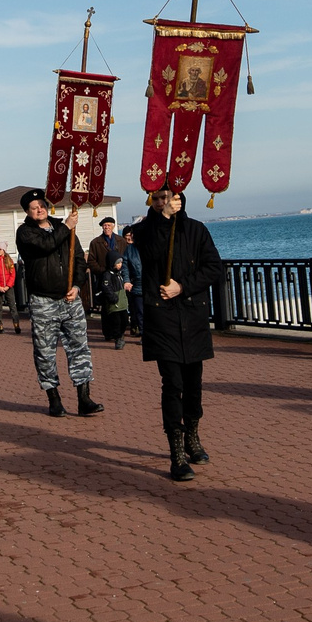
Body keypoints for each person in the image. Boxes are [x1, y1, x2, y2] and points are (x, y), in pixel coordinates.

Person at [132, 182, 223, 481]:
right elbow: (153, 254)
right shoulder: (145, 230)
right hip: (163, 319)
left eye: (168, 197)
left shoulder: (196, 230)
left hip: (192, 315)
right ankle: (175, 450)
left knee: (194, 383)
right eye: (158, 199)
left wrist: (182, 287)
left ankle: (193, 438)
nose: (163, 203)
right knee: (172, 384)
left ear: (180, 198)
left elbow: (213, 268)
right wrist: (165, 221)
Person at [16, 190, 103, 418]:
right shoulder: (25, 232)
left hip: (70, 299)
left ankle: (84, 398)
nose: (39, 209)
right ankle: (53, 399)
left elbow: (79, 259)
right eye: (34, 207)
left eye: (42, 205)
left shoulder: (63, 227)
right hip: (43, 300)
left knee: (79, 348)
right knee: (45, 351)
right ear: (27, 211)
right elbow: (46, 245)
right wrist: (67, 226)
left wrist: (76, 286)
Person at [88, 217, 132, 351]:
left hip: (119, 277)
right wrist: (102, 271)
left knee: (121, 306)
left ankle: (119, 333)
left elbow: (127, 257)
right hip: (104, 277)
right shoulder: (96, 243)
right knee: (107, 307)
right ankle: (108, 332)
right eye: (104, 225)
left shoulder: (121, 241)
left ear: (113, 226)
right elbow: (91, 261)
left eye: (109, 225)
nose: (106, 227)